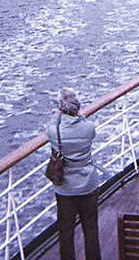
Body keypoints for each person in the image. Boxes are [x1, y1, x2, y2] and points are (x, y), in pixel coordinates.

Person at [45, 88, 101, 260]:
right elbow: (82, 120)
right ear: (78, 108)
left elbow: (53, 121)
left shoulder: (54, 132)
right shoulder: (89, 129)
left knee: (66, 231)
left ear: (61, 109)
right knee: (91, 229)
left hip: (65, 188)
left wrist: (59, 112)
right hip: (88, 185)